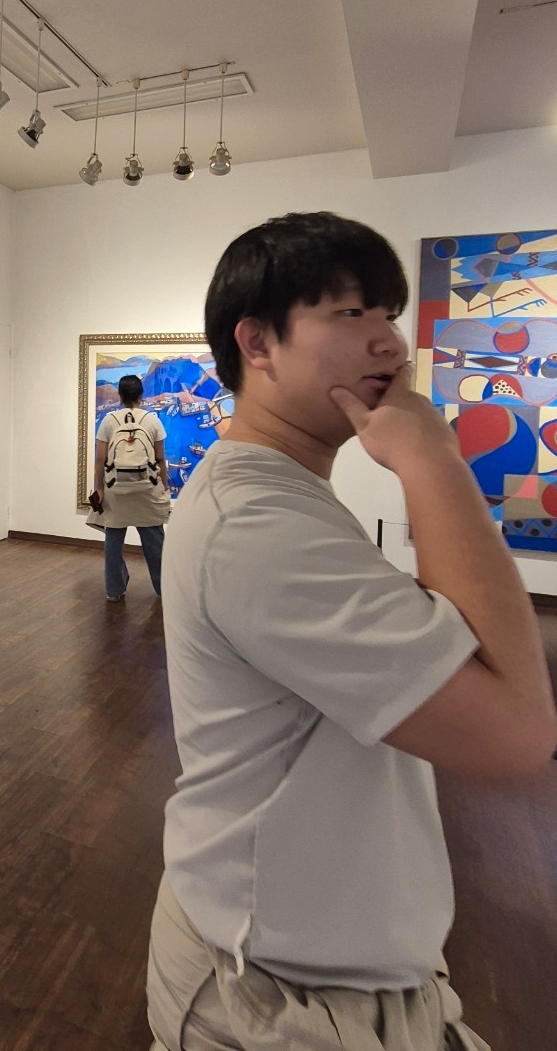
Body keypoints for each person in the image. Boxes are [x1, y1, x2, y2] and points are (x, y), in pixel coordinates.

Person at [147, 212, 557, 1051]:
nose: (391, 344)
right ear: (257, 343)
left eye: (388, 314)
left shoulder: (280, 494)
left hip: (328, 968)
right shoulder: (255, 523)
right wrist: (432, 460)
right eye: (350, 312)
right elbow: (516, 734)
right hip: (277, 993)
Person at [91, 374, 170, 601]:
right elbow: (160, 459)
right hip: (147, 489)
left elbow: (100, 460)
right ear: (141, 394)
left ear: (120, 395)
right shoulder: (152, 420)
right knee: (155, 542)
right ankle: (164, 590)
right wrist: (164, 486)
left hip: (116, 489)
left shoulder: (108, 421)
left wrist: (99, 488)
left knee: (113, 543)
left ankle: (114, 591)